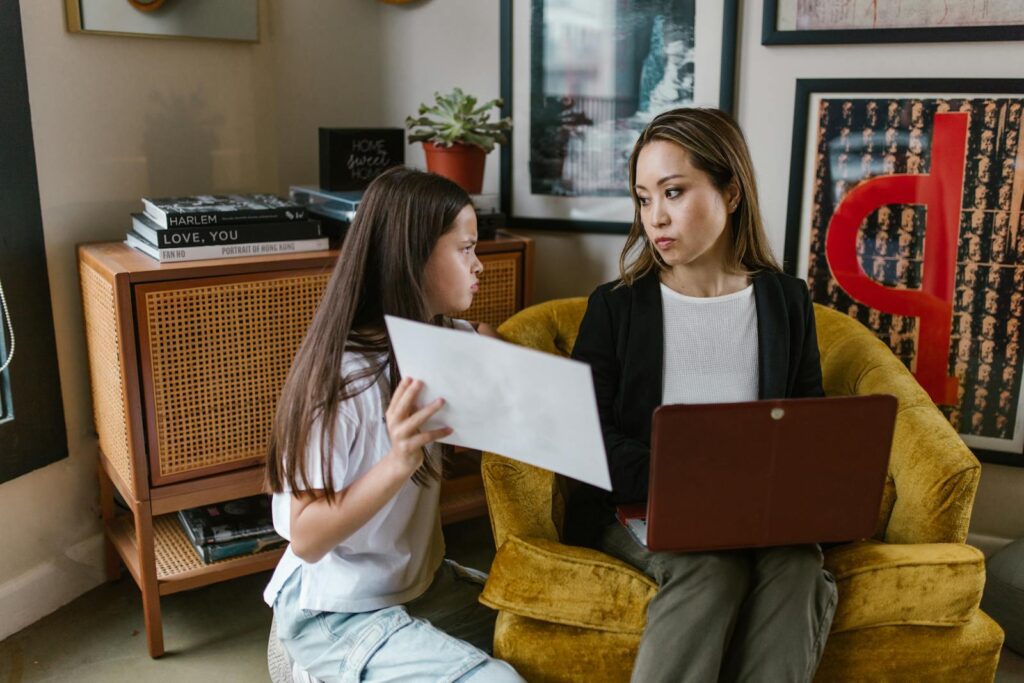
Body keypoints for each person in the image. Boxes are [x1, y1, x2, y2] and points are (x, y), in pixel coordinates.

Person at [568, 108, 837, 683]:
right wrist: (693, 476)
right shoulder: (616, 307)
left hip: (759, 511)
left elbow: (811, 426)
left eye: (673, 192)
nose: (655, 218)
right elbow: (584, 438)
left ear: (731, 191)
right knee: (710, 567)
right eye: (643, 199)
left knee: (798, 568)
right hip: (643, 506)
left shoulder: (786, 302)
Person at [263, 166, 523, 682]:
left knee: (551, 637)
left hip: (418, 586)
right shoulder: (342, 382)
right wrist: (399, 461)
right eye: (465, 249)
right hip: (335, 609)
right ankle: (308, 669)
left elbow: (486, 336)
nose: (480, 266)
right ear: (414, 257)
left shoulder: (437, 340)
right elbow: (307, 537)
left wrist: (498, 359)